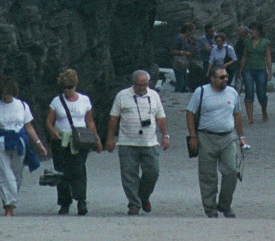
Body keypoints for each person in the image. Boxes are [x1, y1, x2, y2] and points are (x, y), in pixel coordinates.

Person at [0, 76, 49, 216]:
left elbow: (29, 127)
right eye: (3, 93)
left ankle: (10, 201)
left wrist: (39, 144)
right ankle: (8, 205)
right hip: (0, 143)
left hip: (19, 142)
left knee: (16, 175)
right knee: (3, 173)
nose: (5, 96)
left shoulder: (23, 106)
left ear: (13, 92)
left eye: (8, 93)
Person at [185, 64, 246, 218]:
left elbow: (237, 115)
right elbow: (190, 114)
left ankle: (225, 205)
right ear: (212, 79)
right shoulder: (201, 92)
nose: (225, 79)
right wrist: (193, 136)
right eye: (221, 77)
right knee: (208, 175)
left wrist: (242, 137)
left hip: (228, 137)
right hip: (206, 137)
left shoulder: (232, 92)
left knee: (231, 171)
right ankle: (210, 209)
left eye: (226, 76)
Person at [106, 69, 170, 215]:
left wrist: (166, 135)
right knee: (129, 175)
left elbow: (160, 117)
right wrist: (110, 138)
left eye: (144, 85)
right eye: (139, 85)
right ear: (133, 83)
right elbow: (113, 118)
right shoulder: (122, 95)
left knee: (152, 172)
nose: (141, 88)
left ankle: (143, 196)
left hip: (149, 142)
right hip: (127, 142)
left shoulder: (154, 95)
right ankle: (134, 204)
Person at [44, 68, 102, 215]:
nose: (67, 90)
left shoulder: (84, 100)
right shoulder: (56, 101)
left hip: (80, 140)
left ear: (75, 86)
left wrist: (96, 139)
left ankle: (81, 201)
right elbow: (49, 122)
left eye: (70, 87)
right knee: (62, 172)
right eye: (64, 87)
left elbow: (90, 121)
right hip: (61, 140)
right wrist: (53, 132)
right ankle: (64, 202)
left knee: (79, 170)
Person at [239, 22, 272, 124]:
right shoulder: (247, 42)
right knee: (249, 91)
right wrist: (240, 70)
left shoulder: (265, 42)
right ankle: (250, 117)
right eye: (250, 29)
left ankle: (264, 111)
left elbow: (268, 57)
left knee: (261, 92)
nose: (251, 31)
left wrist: (270, 71)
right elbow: (244, 56)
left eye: (253, 30)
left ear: (258, 31)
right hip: (248, 69)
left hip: (261, 69)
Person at [170, 22, 201, 92]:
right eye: (191, 30)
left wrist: (194, 43)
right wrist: (183, 52)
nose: (192, 32)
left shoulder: (189, 39)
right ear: (187, 30)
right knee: (180, 82)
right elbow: (172, 51)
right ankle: (176, 96)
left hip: (186, 63)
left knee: (185, 84)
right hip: (178, 63)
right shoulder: (178, 38)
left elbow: (191, 52)